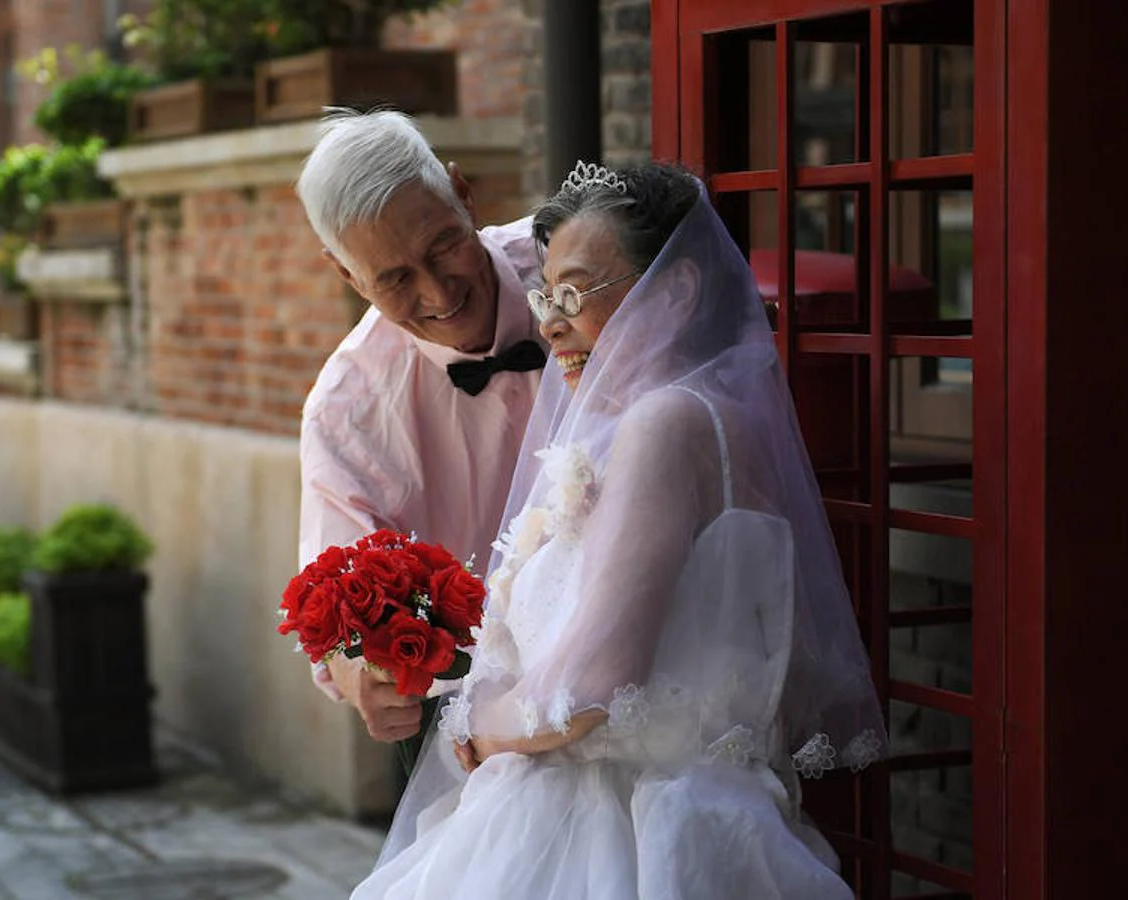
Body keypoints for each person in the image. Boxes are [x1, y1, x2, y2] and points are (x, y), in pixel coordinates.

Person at [349, 161, 889, 899]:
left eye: (573, 291)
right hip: (686, 814)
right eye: (545, 293)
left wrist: (474, 732)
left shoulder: (663, 422)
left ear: (675, 291)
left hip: (614, 832)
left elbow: (591, 684)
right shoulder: (697, 418)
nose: (548, 321)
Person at [294, 109, 546, 755]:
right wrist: (363, 680)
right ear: (347, 276)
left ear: (463, 194)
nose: (438, 292)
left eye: (442, 246)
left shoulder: (575, 275)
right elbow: (338, 608)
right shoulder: (344, 411)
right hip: (465, 723)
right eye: (395, 278)